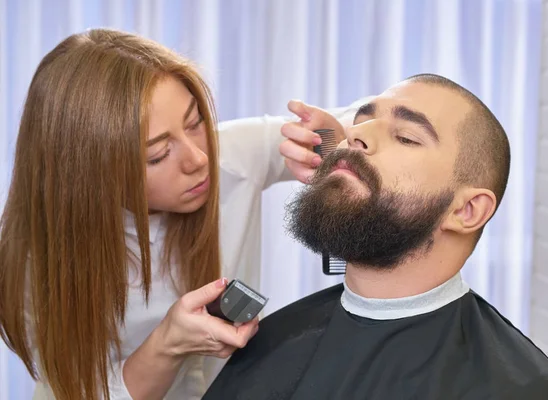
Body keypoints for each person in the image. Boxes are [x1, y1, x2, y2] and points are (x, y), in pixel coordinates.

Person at [0, 28, 361, 400]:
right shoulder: (31, 262)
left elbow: (377, 120)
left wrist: (336, 137)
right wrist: (168, 344)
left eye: (195, 123)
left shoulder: (233, 157)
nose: (198, 159)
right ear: (88, 172)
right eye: (156, 155)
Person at [203, 74, 548, 400]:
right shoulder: (269, 344)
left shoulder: (525, 391)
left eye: (405, 137)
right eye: (361, 121)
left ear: (466, 211)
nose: (355, 135)